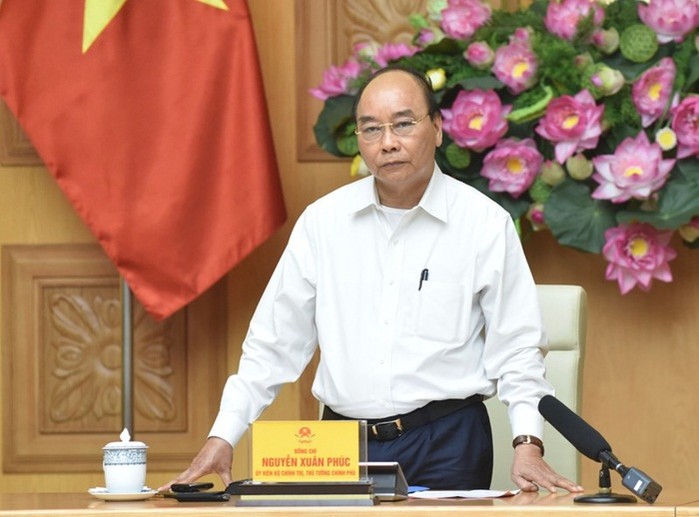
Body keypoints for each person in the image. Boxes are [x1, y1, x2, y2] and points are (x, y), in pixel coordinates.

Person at [160, 66, 583, 494]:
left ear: (437, 128)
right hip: (340, 442)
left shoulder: (483, 223)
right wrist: (224, 433)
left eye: (403, 124)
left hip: (448, 441)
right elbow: (272, 343)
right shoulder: (323, 223)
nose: (388, 143)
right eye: (371, 129)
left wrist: (527, 442)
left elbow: (517, 348)